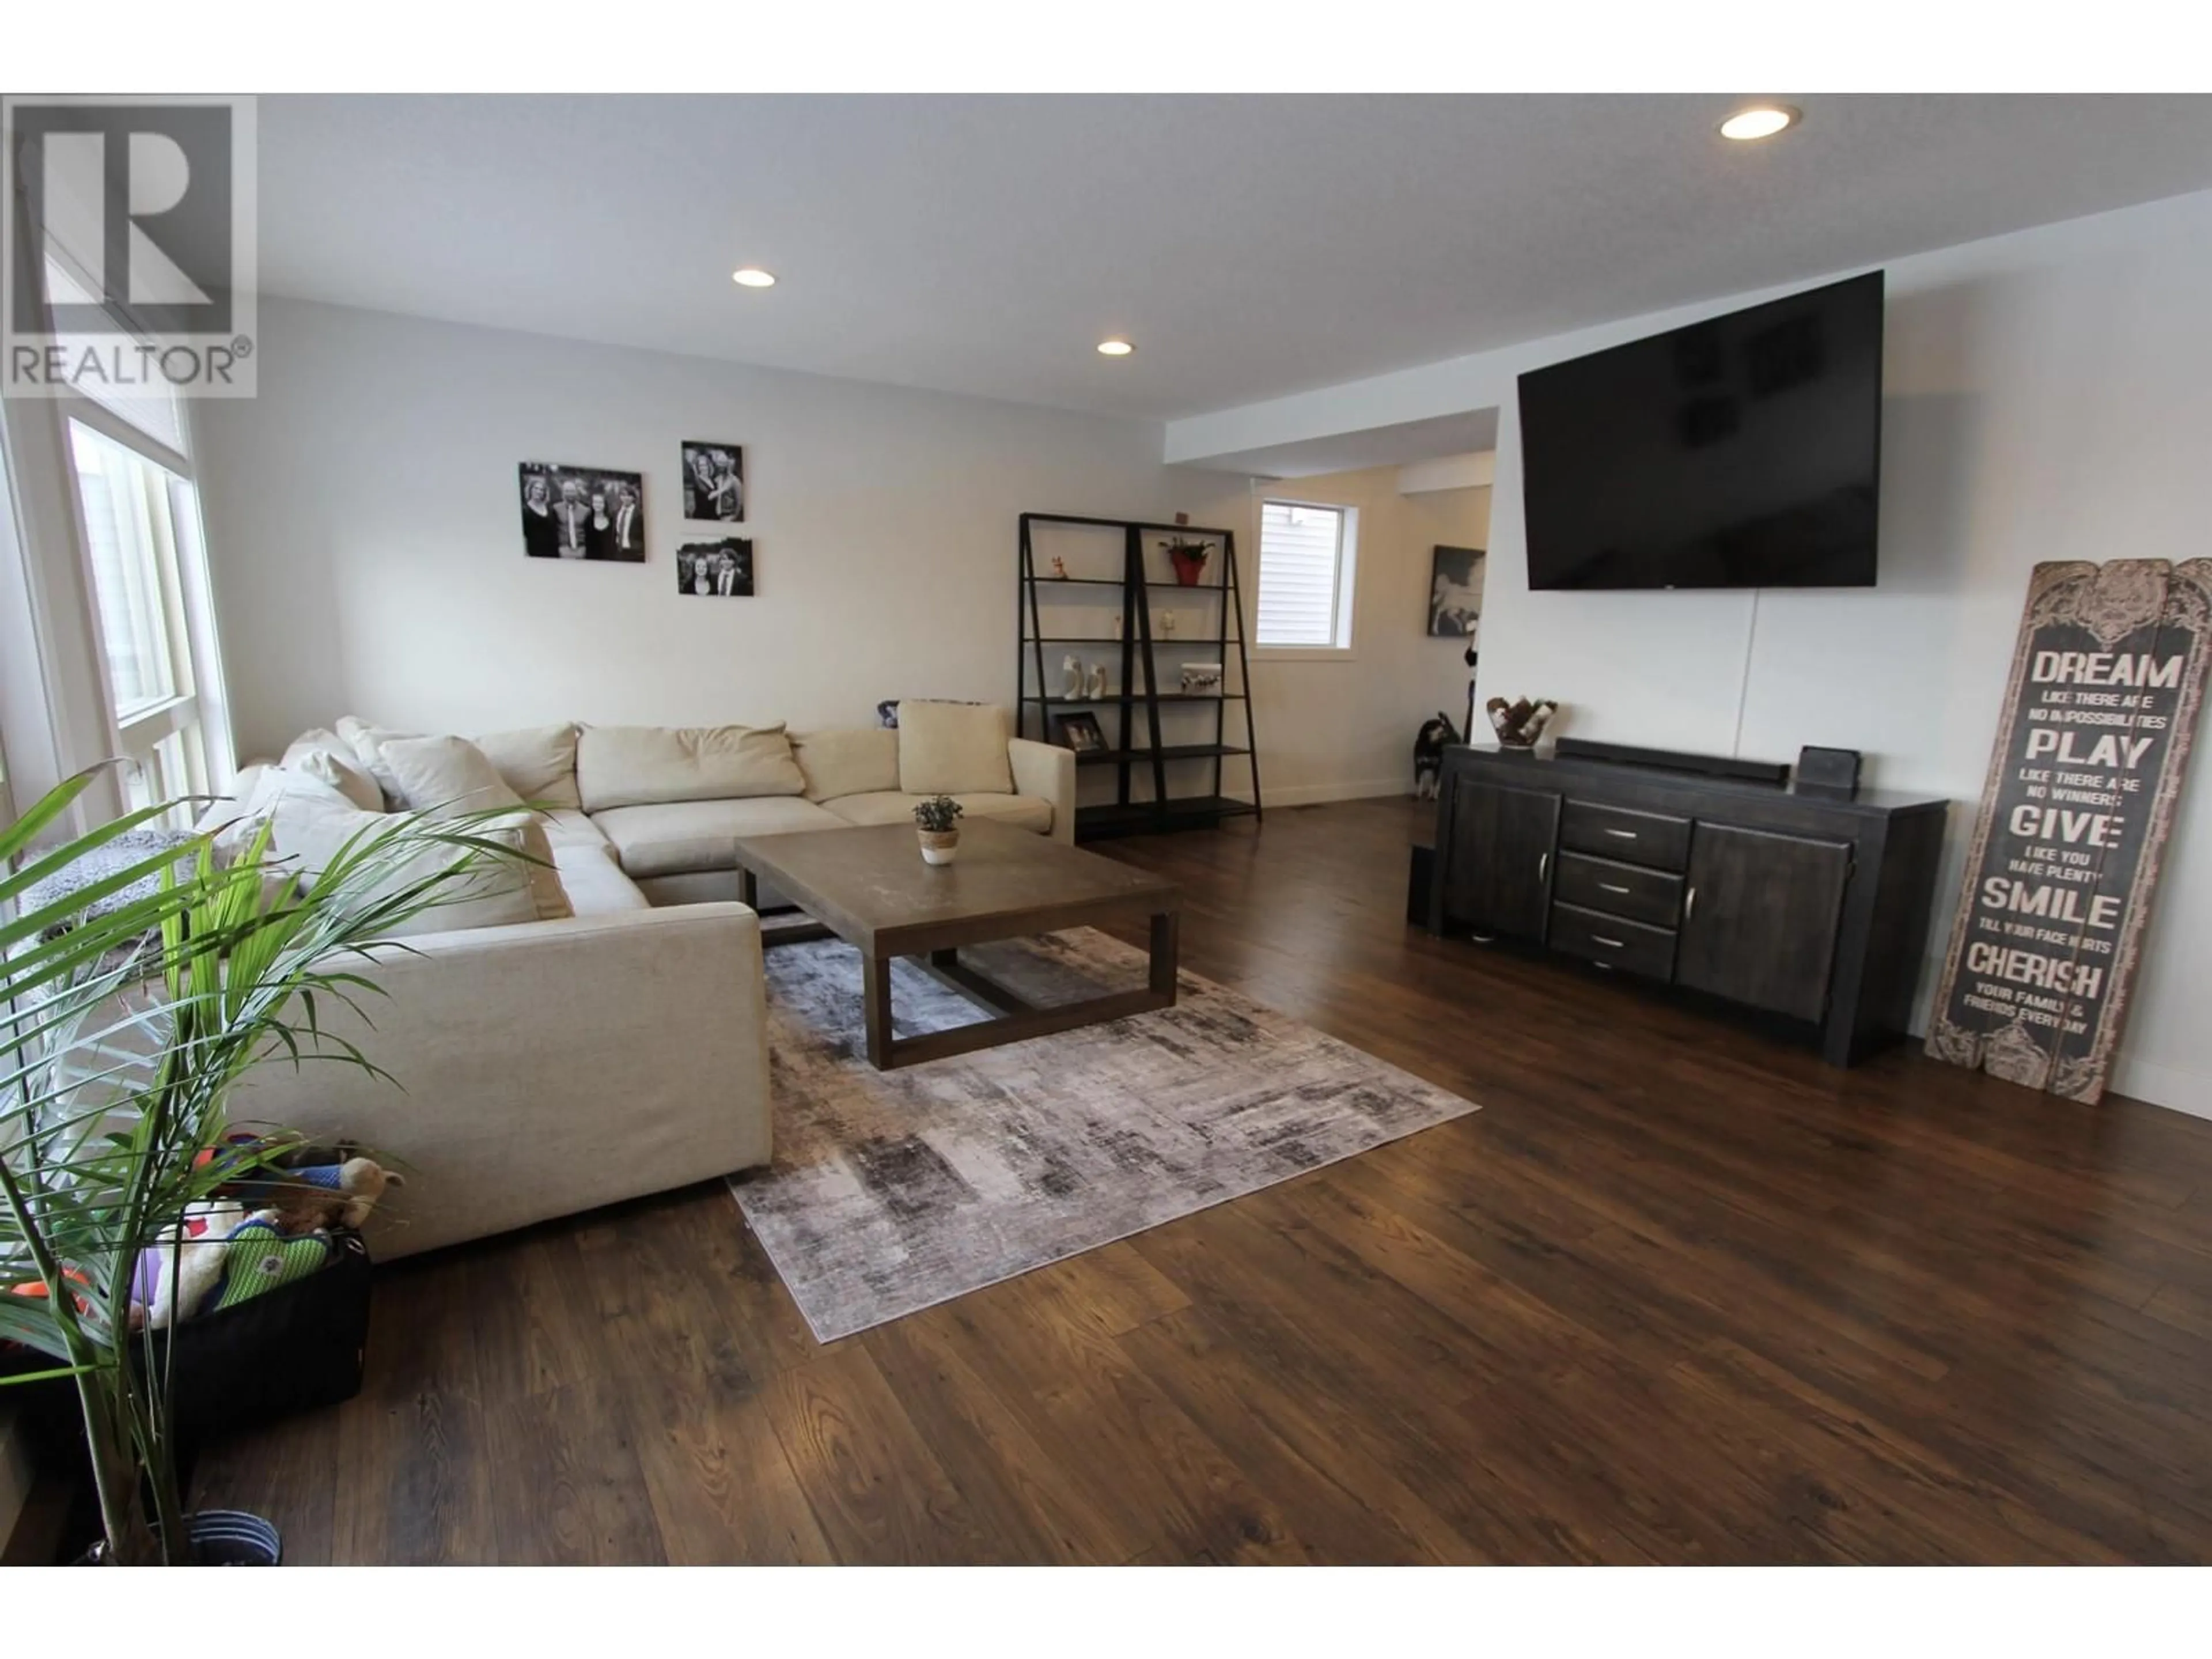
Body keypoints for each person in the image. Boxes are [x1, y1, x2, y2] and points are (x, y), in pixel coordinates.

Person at [520, 472, 558, 558]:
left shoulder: (550, 509)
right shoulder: (525, 510)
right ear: (530, 490)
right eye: (536, 489)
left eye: (542, 490)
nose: (539, 492)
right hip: (535, 553)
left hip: (552, 552)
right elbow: (523, 535)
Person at [553, 478, 591, 558]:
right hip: (563, 549)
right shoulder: (556, 508)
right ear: (563, 493)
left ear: (577, 493)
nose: (570, 494)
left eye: (572, 491)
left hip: (581, 549)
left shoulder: (586, 510)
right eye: (567, 491)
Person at [708, 451, 743, 521]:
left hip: (729, 515)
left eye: (722, 466)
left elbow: (739, 501)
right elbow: (711, 497)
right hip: (718, 515)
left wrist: (734, 516)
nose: (720, 468)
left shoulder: (734, 481)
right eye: (719, 466)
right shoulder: (718, 479)